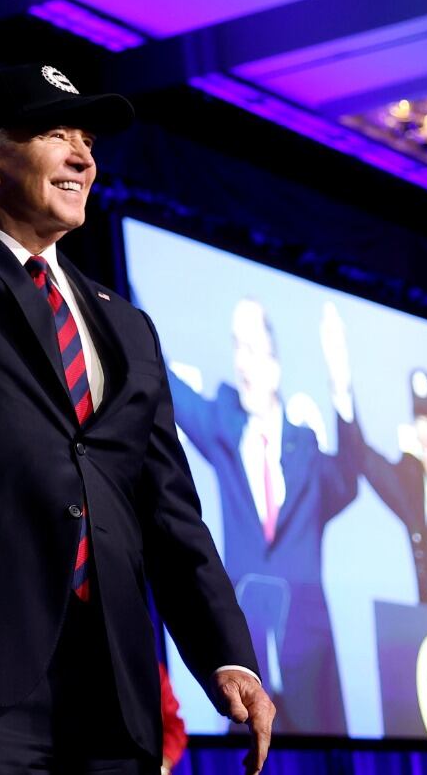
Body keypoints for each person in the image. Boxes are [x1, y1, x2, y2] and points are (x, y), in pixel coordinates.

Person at [0, 64, 274, 773]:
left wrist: (226, 654)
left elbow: (169, 511)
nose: (82, 156)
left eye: (87, 140)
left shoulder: (127, 326)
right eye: (55, 134)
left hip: (115, 682)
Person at [166, 297, 358, 735]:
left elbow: (347, 481)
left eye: (255, 348)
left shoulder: (306, 446)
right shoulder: (222, 427)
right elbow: (167, 383)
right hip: (248, 680)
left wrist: (341, 381)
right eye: (238, 347)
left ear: (276, 361)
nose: (244, 363)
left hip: (311, 672)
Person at [321, 310, 427, 613]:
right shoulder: (410, 491)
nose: (426, 433)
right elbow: (361, 455)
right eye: (419, 420)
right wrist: (341, 383)